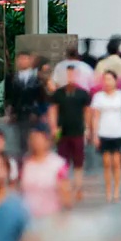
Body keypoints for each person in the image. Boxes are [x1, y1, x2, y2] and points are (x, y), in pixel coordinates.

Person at [91, 71, 121, 202]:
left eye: (110, 79)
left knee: (116, 162)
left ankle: (117, 190)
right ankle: (108, 190)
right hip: (104, 132)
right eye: (105, 80)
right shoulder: (98, 97)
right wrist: (94, 134)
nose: (107, 82)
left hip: (118, 132)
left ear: (115, 81)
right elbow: (96, 117)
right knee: (106, 163)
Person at [48, 65, 91, 200]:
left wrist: (88, 128)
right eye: (68, 75)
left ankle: (78, 188)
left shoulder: (83, 93)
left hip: (78, 131)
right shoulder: (58, 93)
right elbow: (53, 110)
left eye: (72, 75)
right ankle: (64, 189)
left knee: (78, 162)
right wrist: (53, 127)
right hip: (62, 132)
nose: (70, 78)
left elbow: (87, 112)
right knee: (62, 163)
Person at [9, 51, 43, 157]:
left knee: (32, 137)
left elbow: (40, 96)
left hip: (32, 112)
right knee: (19, 139)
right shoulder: (12, 78)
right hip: (18, 112)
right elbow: (10, 96)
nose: (23, 62)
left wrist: (36, 112)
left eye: (25, 59)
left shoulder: (37, 78)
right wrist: (11, 110)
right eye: (21, 59)